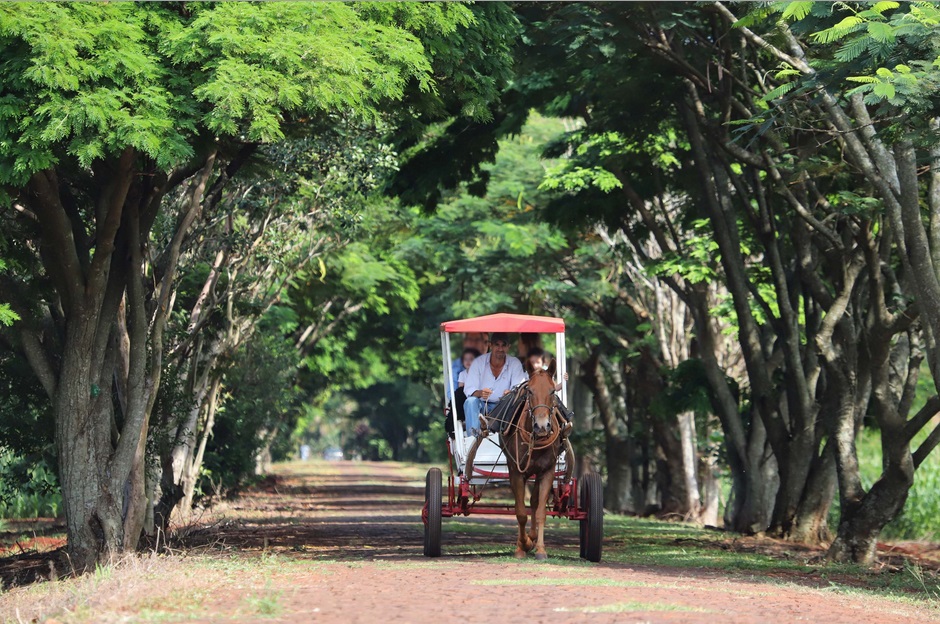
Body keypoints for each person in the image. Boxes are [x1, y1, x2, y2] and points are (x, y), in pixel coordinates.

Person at [463, 332, 527, 437]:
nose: (500, 349)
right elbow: (469, 388)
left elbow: (519, 388)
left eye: (503, 345)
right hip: (482, 405)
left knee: (515, 402)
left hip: (503, 407)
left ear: (508, 347)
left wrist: (510, 393)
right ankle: (473, 437)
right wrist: (480, 393)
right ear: (490, 345)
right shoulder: (478, 362)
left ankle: (508, 436)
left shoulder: (514, 363)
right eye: (497, 345)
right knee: (470, 402)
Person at [448, 332, 488, 400]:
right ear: (464, 342)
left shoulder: (490, 362)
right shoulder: (457, 365)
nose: (473, 343)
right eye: (470, 340)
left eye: (477, 340)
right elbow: (451, 394)